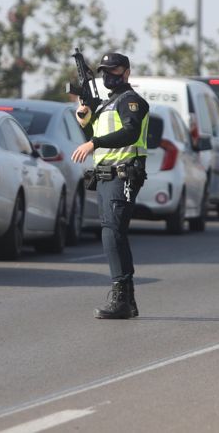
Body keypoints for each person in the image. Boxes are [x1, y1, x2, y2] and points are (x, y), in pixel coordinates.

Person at [71, 52, 149, 320]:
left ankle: (122, 299)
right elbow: (94, 138)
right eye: (104, 70)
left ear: (126, 72)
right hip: (105, 176)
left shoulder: (131, 102)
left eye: (113, 70)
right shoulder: (106, 105)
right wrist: (84, 123)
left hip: (124, 175)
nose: (107, 75)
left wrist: (94, 142)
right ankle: (126, 300)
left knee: (113, 233)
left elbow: (130, 132)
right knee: (110, 233)